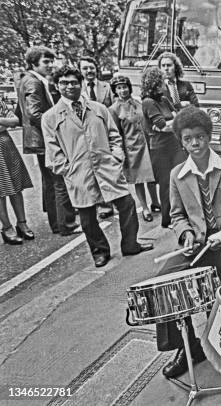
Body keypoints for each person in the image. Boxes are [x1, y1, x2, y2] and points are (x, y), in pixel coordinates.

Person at [156, 106, 221, 378]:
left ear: (209, 136)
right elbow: (177, 216)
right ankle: (187, 347)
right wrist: (185, 235)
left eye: (199, 136)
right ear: (182, 141)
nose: (195, 143)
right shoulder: (177, 174)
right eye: (188, 139)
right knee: (166, 281)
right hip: (197, 246)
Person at [42, 66, 153, 267]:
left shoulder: (99, 109)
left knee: (127, 204)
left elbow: (114, 135)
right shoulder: (50, 117)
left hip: (107, 166)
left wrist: (117, 156)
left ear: (81, 83)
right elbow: (52, 150)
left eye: (74, 82)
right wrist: (67, 169)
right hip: (78, 172)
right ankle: (99, 251)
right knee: (87, 217)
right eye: (64, 83)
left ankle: (130, 245)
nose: (69, 86)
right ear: (57, 87)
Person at [19, 46, 79, 236]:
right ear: (33, 63)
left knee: (51, 182)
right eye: (46, 61)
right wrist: (56, 127)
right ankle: (65, 224)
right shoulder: (33, 82)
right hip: (44, 140)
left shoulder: (28, 80)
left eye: (51, 61)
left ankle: (57, 221)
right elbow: (34, 112)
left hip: (38, 141)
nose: (51, 65)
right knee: (58, 181)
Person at [141, 67, 187, 228]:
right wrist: (168, 124)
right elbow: (163, 125)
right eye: (161, 82)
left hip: (174, 145)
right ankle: (167, 219)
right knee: (167, 184)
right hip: (160, 149)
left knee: (182, 178)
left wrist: (168, 124)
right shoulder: (148, 102)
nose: (164, 85)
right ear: (154, 84)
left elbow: (177, 118)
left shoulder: (164, 100)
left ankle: (181, 214)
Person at [108, 76, 156, 222]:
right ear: (115, 91)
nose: (123, 90)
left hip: (148, 144)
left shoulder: (139, 103)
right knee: (139, 179)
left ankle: (155, 202)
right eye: (119, 88)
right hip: (132, 149)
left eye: (125, 87)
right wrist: (120, 153)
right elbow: (116, 133)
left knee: (152, 177)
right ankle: (145, 208)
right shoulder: (114, 109)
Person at [79, 56, 115, 219]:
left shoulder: (106, 86)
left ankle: (110, 201)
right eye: (85, 68)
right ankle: (99, 203)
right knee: (90, 168)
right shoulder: (77, 88)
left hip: (104, 132)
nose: (89, 71)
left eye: (91, 68)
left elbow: (113, 109)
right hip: (85, 135)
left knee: (107, 167)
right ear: (81, 71)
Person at [0, 107, 33, 244]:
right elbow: (10, 122)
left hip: (6, 146)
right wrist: (4, 124)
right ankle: (7, 227)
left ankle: (22, 223)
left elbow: (15, 120)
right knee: (1, 190)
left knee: (16, 185)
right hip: (4, 140)